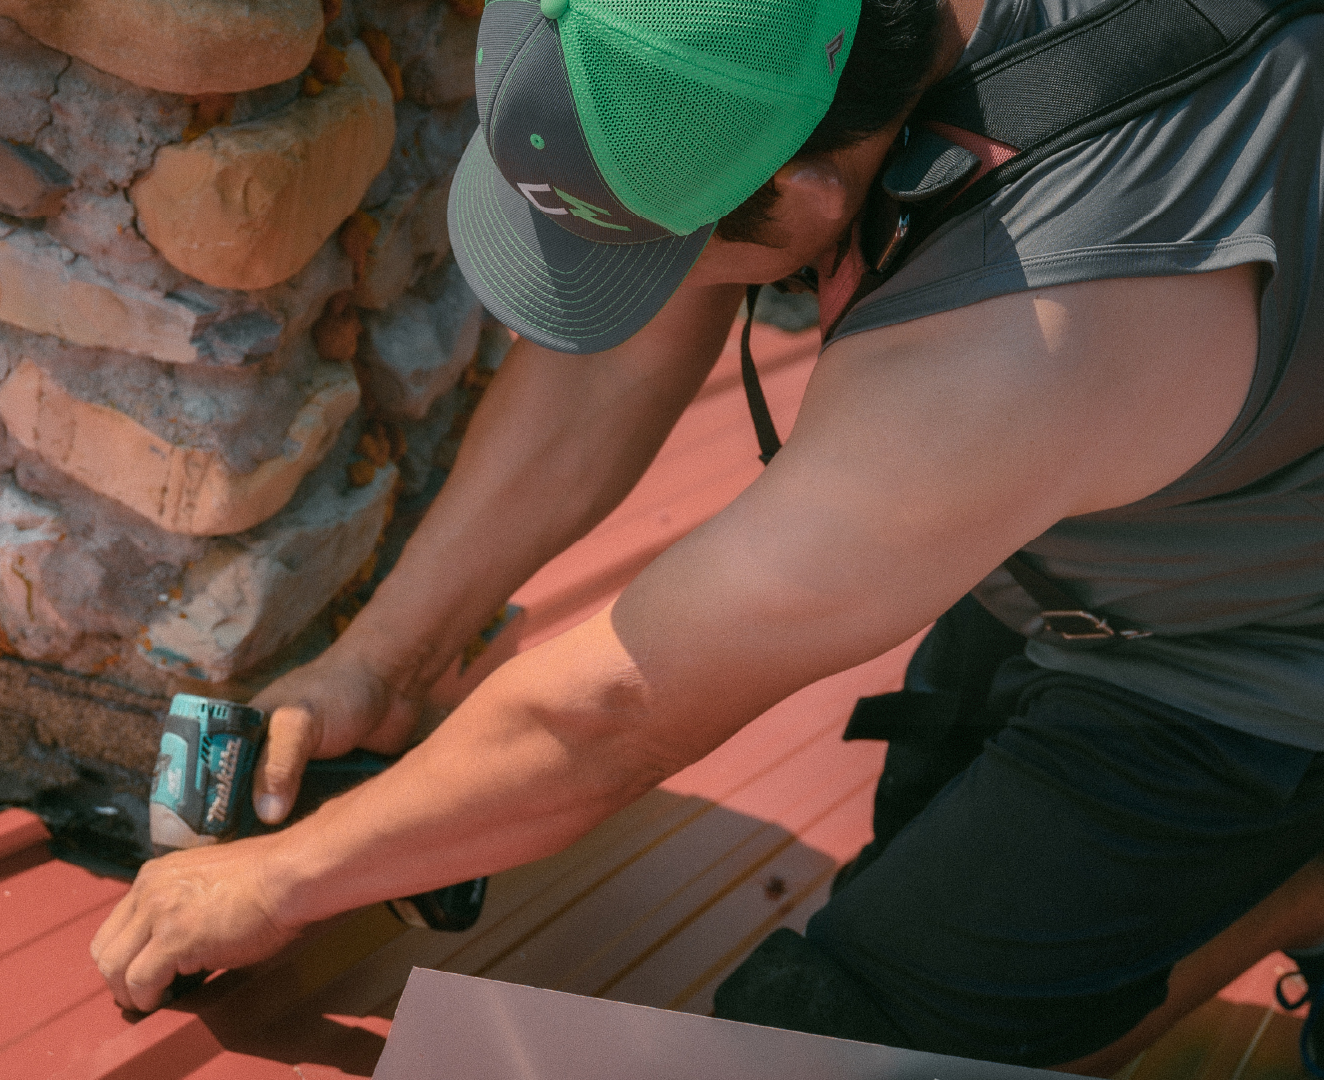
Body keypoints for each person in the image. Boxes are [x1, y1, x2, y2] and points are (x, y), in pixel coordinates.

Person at [91, 0, 1324, 1070]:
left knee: (816, 1043)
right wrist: (387, 658)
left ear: (806, 191)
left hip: (1256, 663)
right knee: (931, 849)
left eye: (660, 244)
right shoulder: (787, 40)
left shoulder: (1015, 347)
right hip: (1112, 541)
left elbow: (613, 714)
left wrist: (279, 880)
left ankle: (1292, 887)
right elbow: (616, 347)